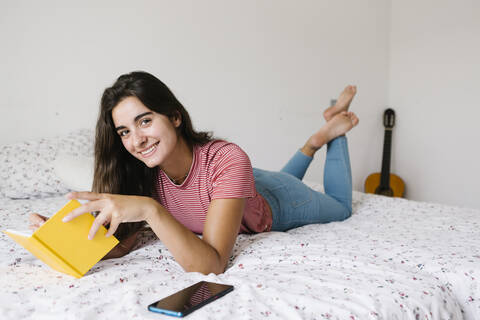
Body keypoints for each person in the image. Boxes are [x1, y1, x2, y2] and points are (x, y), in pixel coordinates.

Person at [29, 71, 359, 275]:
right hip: (238, 187)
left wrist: (149, 209)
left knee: (341, 206)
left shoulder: (227, 158)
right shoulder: (144, 172)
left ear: (174, 117)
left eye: (145, 121)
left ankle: (330, 132)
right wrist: (59, 239)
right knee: (269, 179)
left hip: (279, 202)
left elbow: (212, 264)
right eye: (124, 132)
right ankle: (312, 142)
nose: (137, 139)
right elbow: (121, 245)